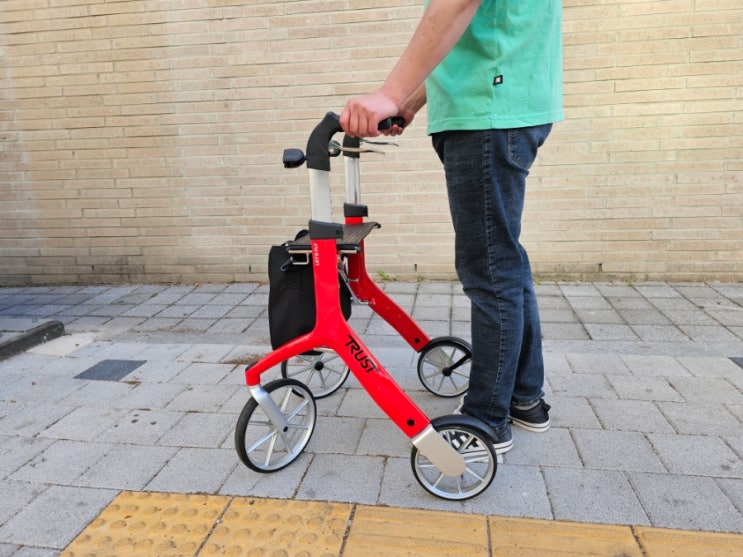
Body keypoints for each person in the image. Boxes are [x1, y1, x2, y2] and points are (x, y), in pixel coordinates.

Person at [340, 0, 562, 453]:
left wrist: (390, 93)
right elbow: (473, 31)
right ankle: (523, 398)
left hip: (487, 111)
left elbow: (457, 5)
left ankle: (486, 419)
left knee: (490, 271)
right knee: (505, 263)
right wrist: (410, 100)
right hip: (500, 106)